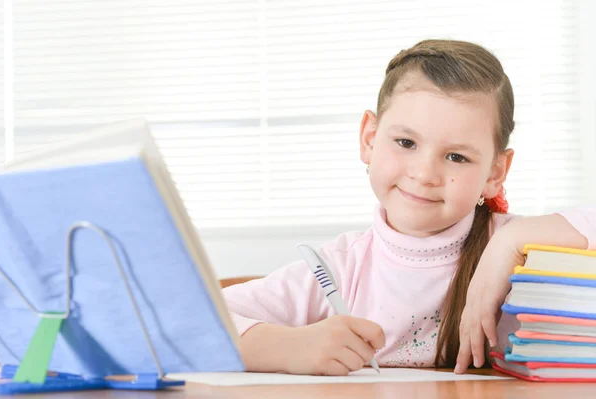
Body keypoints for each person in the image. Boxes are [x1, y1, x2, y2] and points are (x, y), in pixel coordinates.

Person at [222, 39, 596, 376]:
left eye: (456, 156)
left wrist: (510, 241)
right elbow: (183, 322)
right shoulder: (336, 269)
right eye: (405, 142)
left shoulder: (522, 250)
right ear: (369, 138)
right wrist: (287, 348)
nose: (424, 173)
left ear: (495, 173)